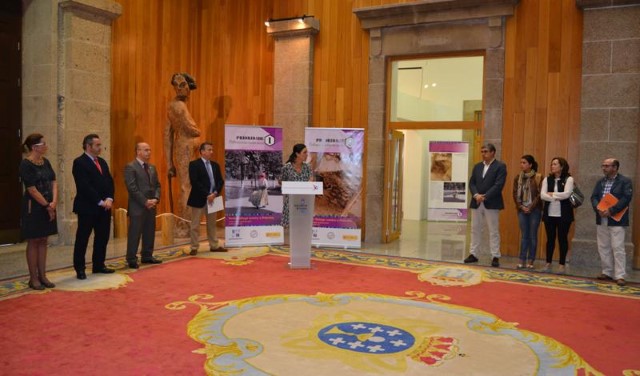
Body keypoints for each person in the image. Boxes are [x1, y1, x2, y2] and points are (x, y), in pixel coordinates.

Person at [72, 134, 115, 280]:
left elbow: (109, 181)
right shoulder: (79, 162)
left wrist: (109, 198)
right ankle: (80, 268)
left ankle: (99, 264)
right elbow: (84, 186)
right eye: (97, 145)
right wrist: (99, 201)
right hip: (87, 207)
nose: (100, 148)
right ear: (88, 146)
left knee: (102, 237)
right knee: (83, 238)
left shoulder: (102, 162)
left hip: (104, 207)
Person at [19, 133, 58, 290]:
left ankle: (43, 276)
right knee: (34, 241)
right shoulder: (25, 164)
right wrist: (47, 206)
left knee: (43, 240)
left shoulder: (46, 162)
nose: (45, 146)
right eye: (43, 144)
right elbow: (32, 190)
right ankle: (33, 278)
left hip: (49, 204)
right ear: (35, 147)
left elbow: (54, 181)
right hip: (34, 207)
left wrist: (54, 202)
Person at [165, 73, 201, 236]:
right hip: (185, 146)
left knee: (188, 186)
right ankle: (184, 226)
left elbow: (167, 134)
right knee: (186, 186)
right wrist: (197, 131)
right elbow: (191, 128)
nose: (183, 88)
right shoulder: (177, 106)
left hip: (186, 147)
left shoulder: (177, 105)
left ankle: (187, 224)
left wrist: (169, 163)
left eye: (185, 84)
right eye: (179, 85)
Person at [591, 158, 633, 286]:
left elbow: (626, 198)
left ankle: (620, 275)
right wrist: (598, 208)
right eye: (603, 165)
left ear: (615, 167)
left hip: (616, 219)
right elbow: (594, 197)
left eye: (607, 166)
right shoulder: (600, 182)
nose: (604, 168)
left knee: (618, 247)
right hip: (602, 218)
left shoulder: (625, 181)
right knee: (603, 246)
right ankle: (607, 272)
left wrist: (612, 210)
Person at [464, 143, 507, 267]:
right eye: (482, 151)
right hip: (476, 202)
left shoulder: (500, 166)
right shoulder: (477, 166)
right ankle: (473, 254)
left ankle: (495, 255)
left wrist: (485, 196)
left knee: (493, 230)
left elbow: (499, 185)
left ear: (493, 152)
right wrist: (476, 195)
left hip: (491, 202)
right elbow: (472, 182)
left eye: (486, 151)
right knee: (475, 229)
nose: (483, 154)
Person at [124, 142, 163, 269]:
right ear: (138, 151)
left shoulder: (152, 167)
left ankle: (147, 255)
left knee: (149, 231)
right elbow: (132, 187)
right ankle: (131, 258)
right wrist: (145, 201)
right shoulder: (131, 167)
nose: (149, 153)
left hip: (151, 205)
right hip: (138, 206)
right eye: (146, 150)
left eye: (150, 150)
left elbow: (157, 185)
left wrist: (156, 199)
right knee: (135, 233)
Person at [187, 142, 225, 255]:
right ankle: (194, 247)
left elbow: (220, 181)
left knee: (212, 224)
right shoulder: (194, 164)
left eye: (212, 150)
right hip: (199, 198)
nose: (211, 152)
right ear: (202, 151)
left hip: (214, 199)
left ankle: (214, 245)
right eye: (209, 150)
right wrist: (207, 194)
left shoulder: (215, 165)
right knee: (195, 225)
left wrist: (215, 193)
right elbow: (195, 182)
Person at [540, 157, 574, 274]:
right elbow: (543, 196)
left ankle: (561, 264)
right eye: (552, 164)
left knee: (562, 239)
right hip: (549, 214)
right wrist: (556, 196)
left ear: (562, 166)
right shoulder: (547, 179)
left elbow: (567, 194)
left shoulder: (568, 179)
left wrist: (552, 194)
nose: (552, 166)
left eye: (555, 164)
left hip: (564, 214)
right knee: (550, 239)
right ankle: (548, 263)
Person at [512, 155, 542, 269]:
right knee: (524, 235)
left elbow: (540, 195)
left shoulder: (538, 177)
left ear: (530, 164)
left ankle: (531, 260)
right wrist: (521, 206)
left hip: (535, 210)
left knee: (533, 235)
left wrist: (531, 207)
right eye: (521, 162)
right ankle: (522, 258)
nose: (521, 165)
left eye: (524, 162)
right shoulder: (517, 177)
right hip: (521, 210)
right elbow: (515, 193)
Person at [280, 144, 313, 228]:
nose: (307, 155)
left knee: (302, 227)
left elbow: (311, 180)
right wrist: (289, 186)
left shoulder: (308, 167)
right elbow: (281, 181)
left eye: (307, 152)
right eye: (304, 152)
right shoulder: (287, 167)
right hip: (290, 202)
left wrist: (310, 183)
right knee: (289, 229)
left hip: (303, 202)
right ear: (297, 154)